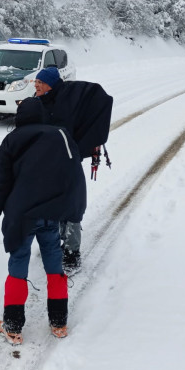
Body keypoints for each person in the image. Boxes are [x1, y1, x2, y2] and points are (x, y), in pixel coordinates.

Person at [0, 96, 86, 344]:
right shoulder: (60, 136)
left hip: (22, 213)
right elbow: (73, 172)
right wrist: (72, 208)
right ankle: (59, 322)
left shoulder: (11, 140)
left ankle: (13, 326)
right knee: (54, 262)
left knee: (19, 262)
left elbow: (3, 183)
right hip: (51, 212)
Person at [34, 65, 113, 275]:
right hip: (47, 164)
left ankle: (71, 253)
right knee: (50, 204)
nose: (36, 85)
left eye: (41, 82)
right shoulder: (42, 102)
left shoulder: (64, 103)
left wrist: (78, 148)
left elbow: (99, 99)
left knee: (71, 206)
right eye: (36, 82)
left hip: (68, 163)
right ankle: (53, 244)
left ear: (51, 84)